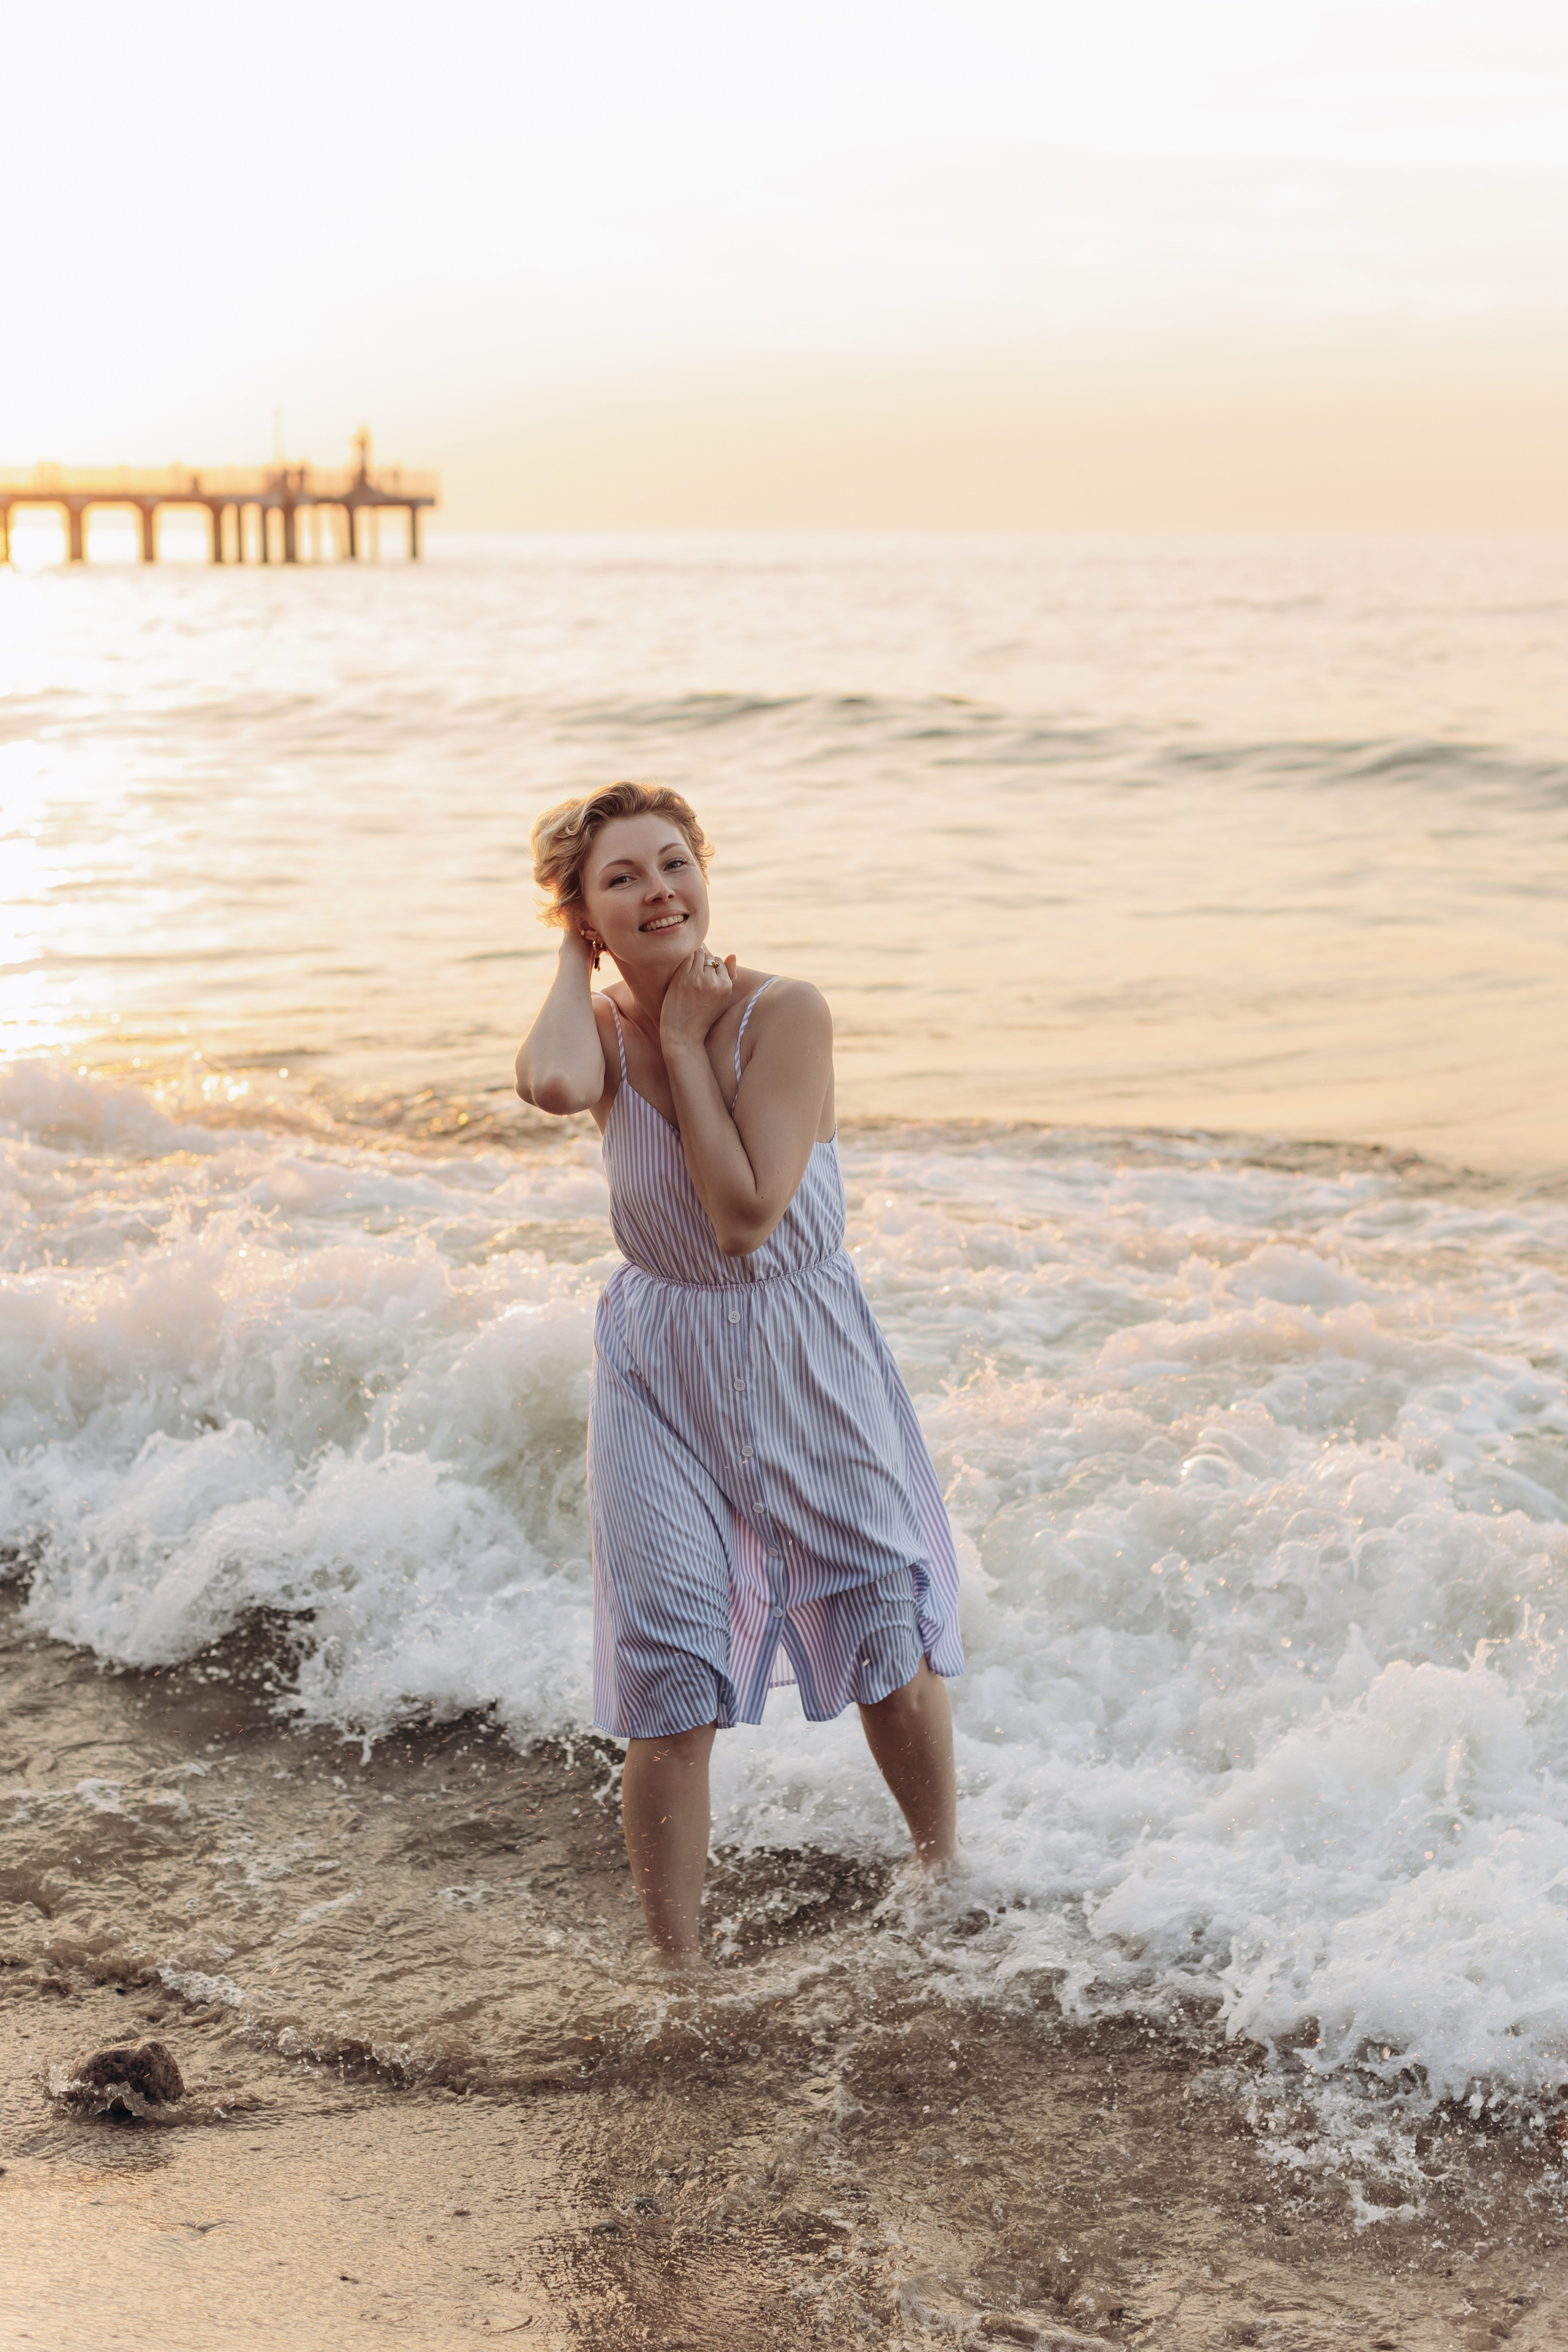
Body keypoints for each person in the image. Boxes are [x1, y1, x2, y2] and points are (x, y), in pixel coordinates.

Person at [515, 781, 963, 1964]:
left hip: (796, 1342)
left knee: (878, 1623)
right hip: (659, 1363)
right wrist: (584, 965)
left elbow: (746, 1217)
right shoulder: (599, 1032)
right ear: (583, 913)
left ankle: (942, 1877)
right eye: (622, 878)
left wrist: (675, 1042)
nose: (661, 890)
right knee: (668, 1669)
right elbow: (553, 1083)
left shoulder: (785, 1014)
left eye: (675, 863)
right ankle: (679, 1973)